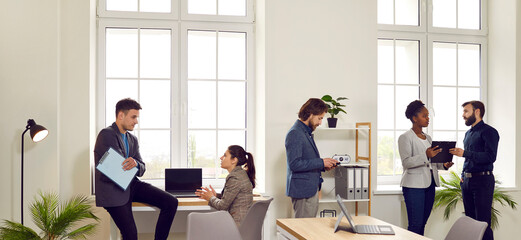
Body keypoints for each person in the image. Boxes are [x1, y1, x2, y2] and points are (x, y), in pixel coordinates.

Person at [94, 98, 178, 240]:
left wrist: (136, 164)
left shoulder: (132, 139)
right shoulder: (106, 134)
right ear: (121, 115)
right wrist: (133, 165)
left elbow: (142, 167)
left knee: (171, 202)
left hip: (131, 185)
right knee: (131, 235)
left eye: (137, 117)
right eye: (133, 117)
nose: (136, 121)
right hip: (113, 191)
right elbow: (118, 169)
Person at [397, 100, 454, 236]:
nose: (428, 118)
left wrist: (443, 165)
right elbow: (406, 163)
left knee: (423, 223)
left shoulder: (428, 138)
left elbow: (431, 161)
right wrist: (426, 155)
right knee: (415, 224)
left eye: (428, 116)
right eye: (424, 116)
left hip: (430, 185)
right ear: (414, 118)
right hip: (413, 187)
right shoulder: (405, 137)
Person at [449, 100, 499, 240]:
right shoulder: (468, 134)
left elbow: (490, 157)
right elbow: (469, 159)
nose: (463, 115)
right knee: (469, 222)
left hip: (483, 181)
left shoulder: (489, 132)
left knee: (482, 223)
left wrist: (464, 153)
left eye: (466, 111)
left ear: (477, 112)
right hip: (467, 181)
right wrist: (463, 175)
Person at [285, 98, 339, 218]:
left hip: (309, 190)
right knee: (303, 231)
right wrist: (320, 163)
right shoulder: (295, 133)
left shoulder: (305, 132)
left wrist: (324, 165)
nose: (320, 123)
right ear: (310, 114)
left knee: (307, 230)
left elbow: (306, 160)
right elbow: (294, 164)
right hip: (303, 191)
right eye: (319, 118)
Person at [196, 145, 255, 226]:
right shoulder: (240, 173)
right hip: (243, 224)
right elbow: (232, 196)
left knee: (202, 225)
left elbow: (222, 206)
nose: (221, 157)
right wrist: (216, 195)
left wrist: (210, 198)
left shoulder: (235, 177)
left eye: (225, 155)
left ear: (234, 160)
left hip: (237, 226)